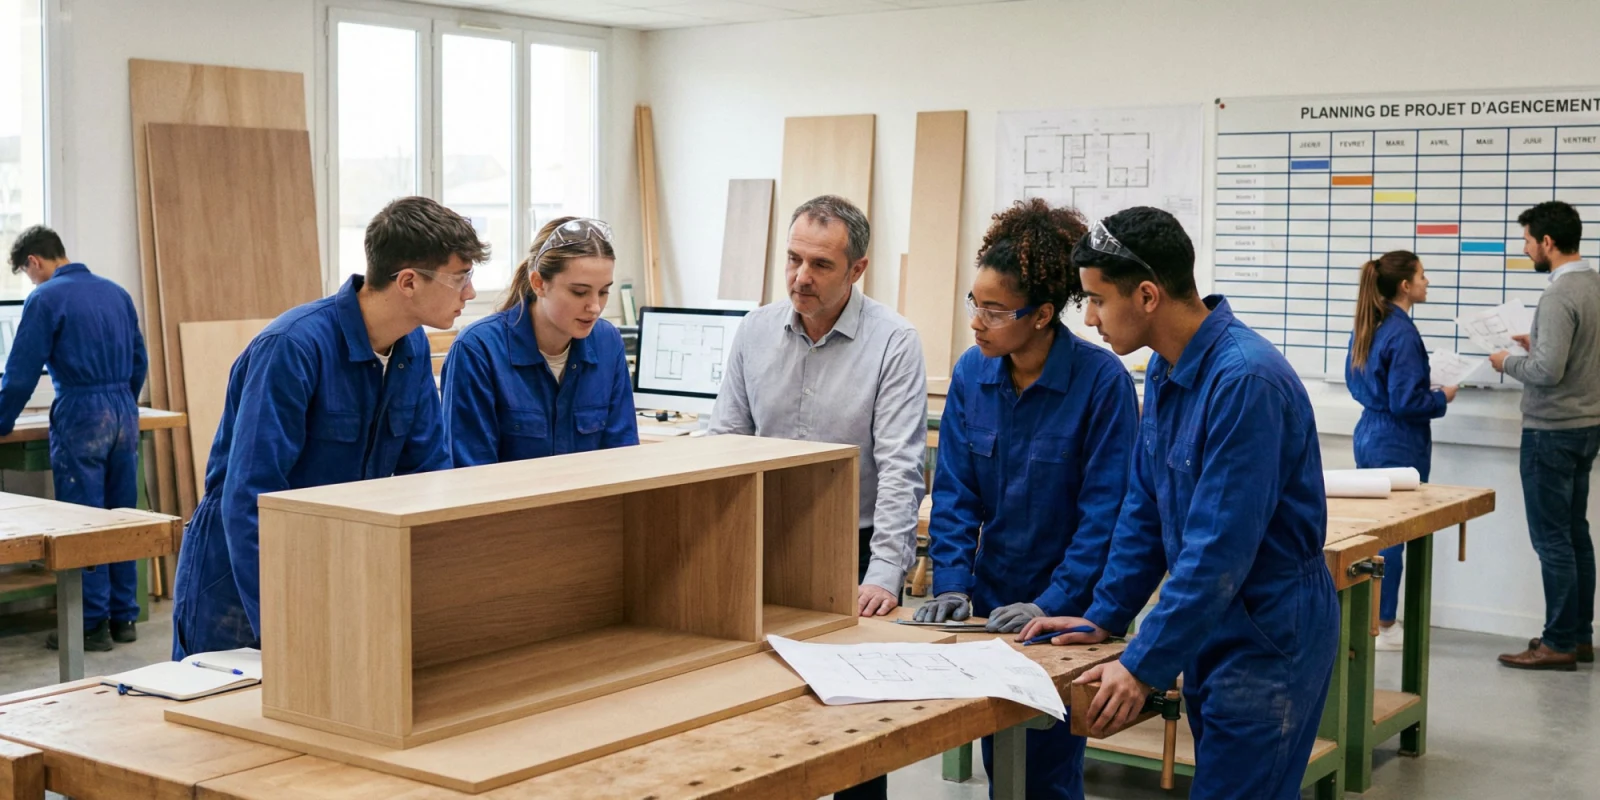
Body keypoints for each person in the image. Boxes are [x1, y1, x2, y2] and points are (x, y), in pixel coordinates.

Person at [1019, 206, 1338, 799]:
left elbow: (1216, 553)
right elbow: (1146, 509)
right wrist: (1106, 615)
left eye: (1095, 300)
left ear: (1145, 295)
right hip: (1218, 624)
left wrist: (1141, 664)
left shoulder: (1244, 381)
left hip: (1270, 633)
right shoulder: (1166, 372)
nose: (1087, 319)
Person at [171, 196, 483, 659]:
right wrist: (281, 624)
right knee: (225, 715)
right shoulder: (293, 348)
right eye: (460, 279)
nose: (471, 294)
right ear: (409, 282)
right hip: (242, 576)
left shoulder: (410, 348)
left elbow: (429, 477)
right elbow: (250, 500)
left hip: (336, 561)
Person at [913, 199, 1137, 799]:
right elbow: (955, 492)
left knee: (1048, 768)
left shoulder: (1102, 384)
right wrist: (953, 584)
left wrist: (1050, 603)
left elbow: (1104, 518)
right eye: (974, 304)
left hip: (1066, 611)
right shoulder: (972, 374)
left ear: (1040, 316)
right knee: (1000, 758)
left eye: (993, 310)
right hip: (990, 602)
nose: (977, 322)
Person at [710, 194, 925, 800]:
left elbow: (901, 465)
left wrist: (885, 572)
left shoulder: (894, 341)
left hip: (850, 553)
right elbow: (725, 439)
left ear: (857, 270)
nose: (801, 278)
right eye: (793, 259)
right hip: (763, 545)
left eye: (821, 265)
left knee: (857, 729)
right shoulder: (755, 330)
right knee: (761, 713)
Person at [1, 226, 147, 651]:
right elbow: (140, 360)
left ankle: (89, 625)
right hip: (123, 413)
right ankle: (123, 619)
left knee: (82, 522)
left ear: (34, 262)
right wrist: (125, 404)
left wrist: (3, 418)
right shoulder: (116, 293)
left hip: (82, 416)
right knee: (120, 516)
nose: (32, 282)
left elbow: (21, 373)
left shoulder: (45, 298)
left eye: (28, 274)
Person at [1490, 200, 1600, 671]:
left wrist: (1506, 362)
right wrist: (1539, 345)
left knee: (1552, 541)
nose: (1526, 248)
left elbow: (1547, 372)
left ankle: (1556, 643)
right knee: (1576, 534)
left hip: (1551, 433)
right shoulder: (1593, 284)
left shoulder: (1557, 295)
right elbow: (1573, 355)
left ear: (1548, 243)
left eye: (1528, 241)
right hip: (1586, 426)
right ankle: (1577, 637)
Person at [442, 217, 636, 465]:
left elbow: (623, 456)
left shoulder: (608, 342)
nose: (595, 307)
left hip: (592, 503)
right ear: (539, 284)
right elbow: (469, 472)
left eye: (604, 291)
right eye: (579, 292)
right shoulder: (477, 349)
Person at [1344, 250, 1457, 651]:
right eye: (1423, 276)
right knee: (1393, 536)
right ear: (1405, 286)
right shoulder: (1404, 333)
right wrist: (1441, 397)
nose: (1427, 283)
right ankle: (1386, 623)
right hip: (1398, 439)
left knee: (1373, 532)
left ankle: (1371, 617)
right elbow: (1407, 402)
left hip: (1369, 432)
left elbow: (1361, 383)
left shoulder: (1368, 324)